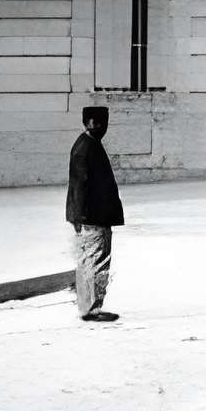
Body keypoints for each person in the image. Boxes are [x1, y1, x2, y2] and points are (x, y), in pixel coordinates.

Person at [67, 105, 124, 323]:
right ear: (88, 123)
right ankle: (91, 308)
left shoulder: (89, 144)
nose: (101, 126)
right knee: (95, 261)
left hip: (94, 216)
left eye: (102, 122)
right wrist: (80, 217)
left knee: (92, 261)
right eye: (97, 122)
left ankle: (90, 306)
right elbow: (79, 186)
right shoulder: (86, 147)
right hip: (93, 217)